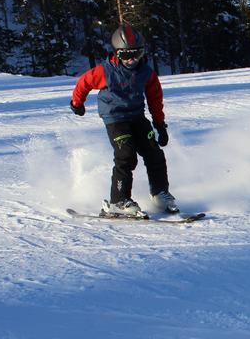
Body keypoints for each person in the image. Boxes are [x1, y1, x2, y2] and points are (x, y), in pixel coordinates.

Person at [70, 24, 179, 217]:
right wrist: (77, 103)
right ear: (116, 54)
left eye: (136, 55)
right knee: (126, 155)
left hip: (136, 116)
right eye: (125, 55)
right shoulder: (106, 71)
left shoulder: (146, 73)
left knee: (154, 152)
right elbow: (84, 83)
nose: (130, 60)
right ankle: (118, 200)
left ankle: (159, 192)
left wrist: (160, 124)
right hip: (114, 118)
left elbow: (155, 99)